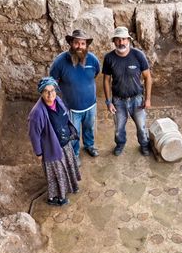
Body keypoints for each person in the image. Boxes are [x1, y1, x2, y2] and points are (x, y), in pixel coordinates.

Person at [28, 77, 81, 206]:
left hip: (64, 143)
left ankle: (72, 186)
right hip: (52, 148)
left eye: (52, 90)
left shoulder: (57, 100)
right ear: (41, 93)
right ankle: (56, 198)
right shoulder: (37, 113)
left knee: (67, 167)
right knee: (57, 174)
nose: (50, 94)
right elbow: (34, 134)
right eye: (46, 91)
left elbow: (65, 116)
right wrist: (39, 153)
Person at [49, 29, 101, 159]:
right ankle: (75, 154)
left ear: (86, 45)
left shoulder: (93, 60)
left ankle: (89, 145)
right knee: (73, 133)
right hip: (72, 108)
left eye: (83, 44)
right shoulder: (60, 62)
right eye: (76, 43)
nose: (79, 46)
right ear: (71, 43)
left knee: (89, 128)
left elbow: (95, 74)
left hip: (91, 105)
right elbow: (52, 81)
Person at [102, 26, 153, 157]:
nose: (121, 43)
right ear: (114, 41)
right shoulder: (109, 58)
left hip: (137, 99)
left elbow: (148, 77)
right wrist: (109, 102)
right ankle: (120, 144)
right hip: (118, 101)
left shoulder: (138, 55)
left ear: (128, 40)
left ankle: (144, 145)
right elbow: (106, 80)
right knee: (119, 128)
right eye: (118, 40)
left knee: (141, 127)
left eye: (124, 39)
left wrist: (147, 99)